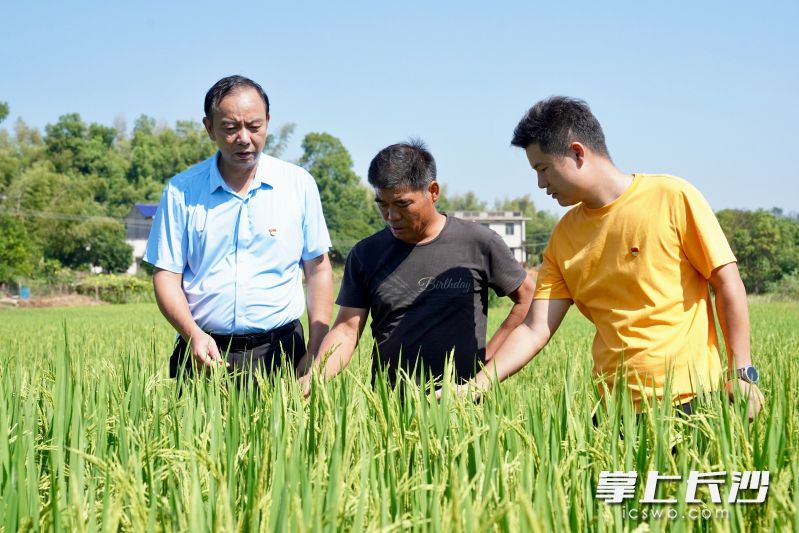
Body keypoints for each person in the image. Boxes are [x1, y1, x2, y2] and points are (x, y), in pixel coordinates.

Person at [451, 96, 764, 419]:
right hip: (615, 412)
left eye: (543, 169)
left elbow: (727, 282)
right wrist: (476, 386)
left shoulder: (671, 197)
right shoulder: (564, 237)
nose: (540, 183)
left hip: (692, 400)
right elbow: (534, 329)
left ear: (577, 152)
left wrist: (741, 372)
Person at [300, 140, 534, 395]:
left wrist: (489, 359)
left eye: (402, 204)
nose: (391, 216)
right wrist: (316, 376)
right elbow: (346, 329)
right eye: (383, 204)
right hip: (390, 407)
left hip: (463, 402)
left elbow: (527, 297)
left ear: (432, 191)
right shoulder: (366, 254)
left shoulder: (479, 242)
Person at [144, 75, 333, 384]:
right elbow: (166, 275)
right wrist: (192, 333)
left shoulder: (297, 184)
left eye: (254, 127)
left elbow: (318, 269)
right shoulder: (182, 191)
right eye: (230, 128)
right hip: (204, 352)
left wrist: (316, 345)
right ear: (209, 128)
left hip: (281, 352)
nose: (244, 138)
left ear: (268, 122)